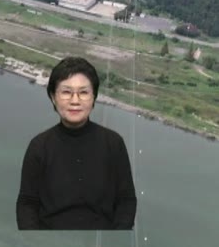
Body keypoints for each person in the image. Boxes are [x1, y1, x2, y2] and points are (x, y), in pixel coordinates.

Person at [16, 57, 136, 230]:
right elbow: (27, 203)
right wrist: (37, 244)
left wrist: (114, 244)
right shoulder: (39, 146)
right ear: (53, 97)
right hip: (51, 245)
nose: (75, 100)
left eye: (84, 92)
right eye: (66, 92)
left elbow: (126, 201)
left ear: (94, 97)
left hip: (101, 246)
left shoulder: (113, 143)